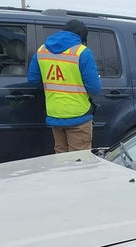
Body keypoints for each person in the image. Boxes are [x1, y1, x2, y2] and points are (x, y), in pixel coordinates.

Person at [28, 19, 101, 153]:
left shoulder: (42, 50)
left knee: (61, 158)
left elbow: (33, 79)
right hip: (79, 116)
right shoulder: (83, 52)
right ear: (82, 37)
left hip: (55, 113)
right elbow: (95, 88)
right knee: (79, 161)